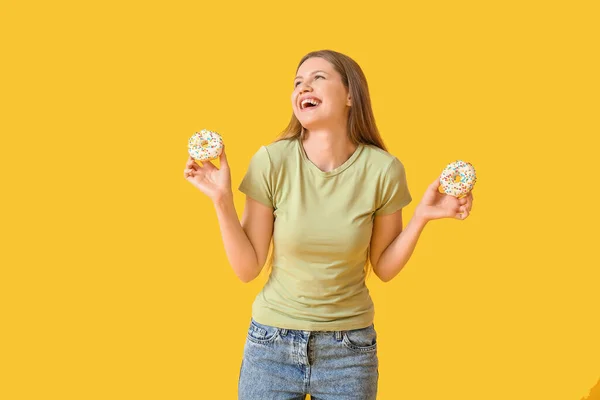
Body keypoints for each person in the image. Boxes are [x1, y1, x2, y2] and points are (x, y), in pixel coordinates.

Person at [183, 49, 474, 400]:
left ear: (351, 94)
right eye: (297, 82)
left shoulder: (384, 170)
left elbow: (383, 267)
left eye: (317, 78)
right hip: (271, 345)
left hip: (349, 352)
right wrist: (222, 199)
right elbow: (247, 269)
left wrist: (422, 218)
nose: (303, 87)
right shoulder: (271, 161)